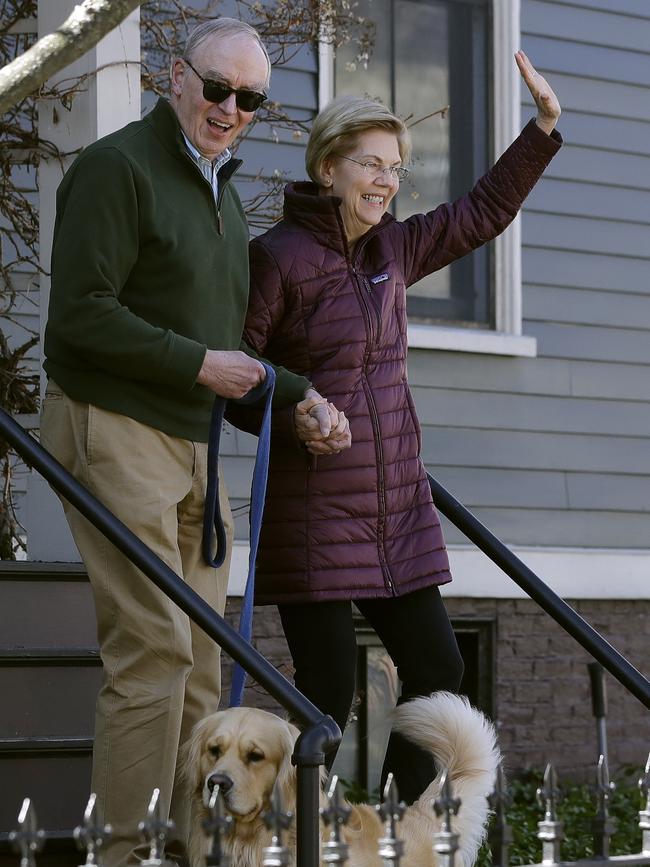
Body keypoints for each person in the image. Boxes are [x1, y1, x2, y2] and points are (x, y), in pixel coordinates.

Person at [39, 18, 342, 867]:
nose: (231, 108)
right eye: (218, 88)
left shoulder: (223, 195)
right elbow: (81, 314)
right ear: (175, 77)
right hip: (115, 421)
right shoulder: (117, 169)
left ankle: (195, 846)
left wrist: (297, 396)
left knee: (206, 658)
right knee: (156, 647)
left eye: (250, 98)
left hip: (191, 438)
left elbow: (228, 352)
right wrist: (200, 364)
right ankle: (125, 853)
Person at [237, 50, 562, 804]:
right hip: (314, 511)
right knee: (326, 693)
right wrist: (294, 415)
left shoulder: (395, 248)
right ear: (327, 168)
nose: (386, 179)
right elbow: (238, 378)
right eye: (370, 163)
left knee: (439, 671)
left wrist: (541, 129)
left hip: (397, 513)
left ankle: (388, 830)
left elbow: (480, 212)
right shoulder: (276, 260)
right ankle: (293, 838)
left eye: (395, 166)